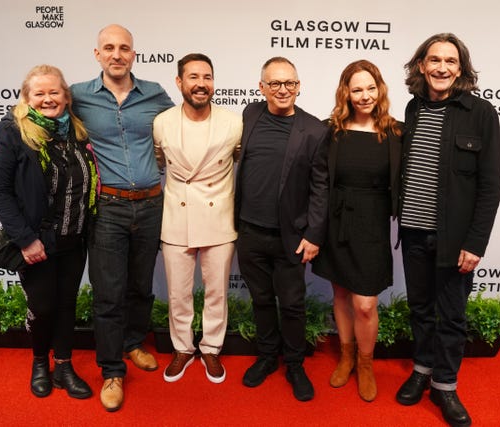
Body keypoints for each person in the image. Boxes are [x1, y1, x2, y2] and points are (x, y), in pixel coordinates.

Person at [395, 33, 500, 427]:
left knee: (452, 316)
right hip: (413, 233)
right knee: (420, 309)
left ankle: (445, 385)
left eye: (450, 61)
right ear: (421, 66)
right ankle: (422, 369)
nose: (442, 68)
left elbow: (491, 185)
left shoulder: (481, 113)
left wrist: (475, 243)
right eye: (434, 60)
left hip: (455, 240)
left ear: (461, 69)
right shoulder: (413, 108)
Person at [70, 24, 174, 411]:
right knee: (109, 293)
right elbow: (34, 111)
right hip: (108, 207)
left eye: (124, 48)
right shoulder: (78, 95)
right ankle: (112, 370)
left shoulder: (155, 94)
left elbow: (188, 129)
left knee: (141, 285)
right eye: (109, 48)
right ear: (97, 54)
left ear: (134, 54)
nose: (117, 54)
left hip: (151, 204)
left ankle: (133, 343)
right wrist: (3, 135)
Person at [0, 64, 97, 400]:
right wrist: (25, 239)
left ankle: (63, 365)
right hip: (37, 242)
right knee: (43, 306)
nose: (48, 99)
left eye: (54, 92)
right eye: (40, 93)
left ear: (66, 96)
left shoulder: (76, 131)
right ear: (27, 97)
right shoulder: (12, 131)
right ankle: (39, 363)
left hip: (74, 237)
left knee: (66, 305)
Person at [235, 57, 329, 402]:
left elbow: (322, 188)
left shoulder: (315, 130)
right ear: (261, 88)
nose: (283, 90)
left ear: (299, 86)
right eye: (274, 83)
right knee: (260, 299)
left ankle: (294, 364)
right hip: (249, 231)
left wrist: (314, 234)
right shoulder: (250, 114)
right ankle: (266, 357)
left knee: (291, 304)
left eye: (289, 83)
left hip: (291, 237)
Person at [311, 60, 402, 402]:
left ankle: (365, 363)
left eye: (370, 88)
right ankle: (346, 355)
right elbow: (317, 180)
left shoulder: (395, 133)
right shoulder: (330, 130)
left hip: (373, 227)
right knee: (340, 295)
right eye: (356, 89)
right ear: (345, 93)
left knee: (365, 303)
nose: (364, 96)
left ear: (379, 89)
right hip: (336, 223)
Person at [153, 53, 242, 384]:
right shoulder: (161, 122)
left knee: (217, 291)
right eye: (193, 77)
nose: (201, 84)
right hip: (177, 216)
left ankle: (212, 349)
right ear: (180, 82)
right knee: (178, 292)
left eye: (207, 77)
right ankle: (182, 348)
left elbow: (238, 158)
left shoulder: (234, 122)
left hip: (218, 217)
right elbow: (159, 161)